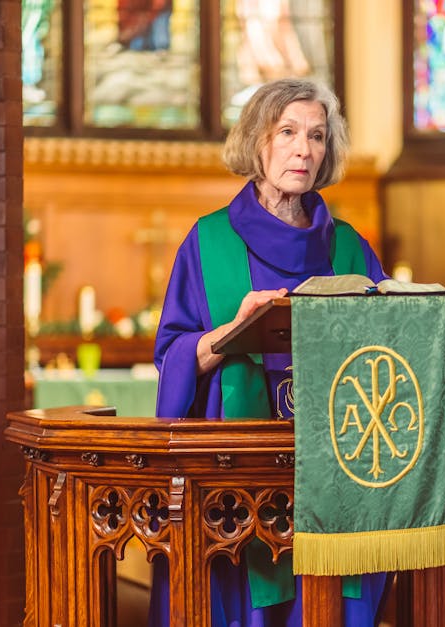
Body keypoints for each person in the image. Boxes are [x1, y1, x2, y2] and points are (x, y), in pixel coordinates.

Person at [150, 78, 390, 625]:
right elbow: (172, 358)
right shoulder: (208, 243)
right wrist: (235, 329)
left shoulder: (350, 248)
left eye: (317, 136)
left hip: (336, 478)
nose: (304, 149)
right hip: (237, 483)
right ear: (258, 142)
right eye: (287, 132)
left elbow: (384, 361)